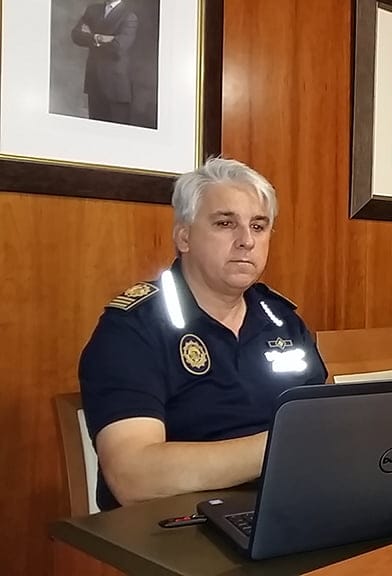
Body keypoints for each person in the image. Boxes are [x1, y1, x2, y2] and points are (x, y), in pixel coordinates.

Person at [79, 158, 328, 510]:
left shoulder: (281, 319)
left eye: (259, 226)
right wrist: (284, 444)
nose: (246, 241)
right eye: (226, 223)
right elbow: (133, 476)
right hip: (175, 524)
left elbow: (329, 424)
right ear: (184, 236)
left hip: (289, 504)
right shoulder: (133, 327)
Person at [71, 0, 138, 124]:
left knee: (117, 134)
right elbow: (76, 35)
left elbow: (119, 46)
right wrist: (101, 38)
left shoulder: (129, 16)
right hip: (94, 82)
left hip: (116, 87)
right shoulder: (92, 10)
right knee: (95, 132)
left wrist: (92, 36)